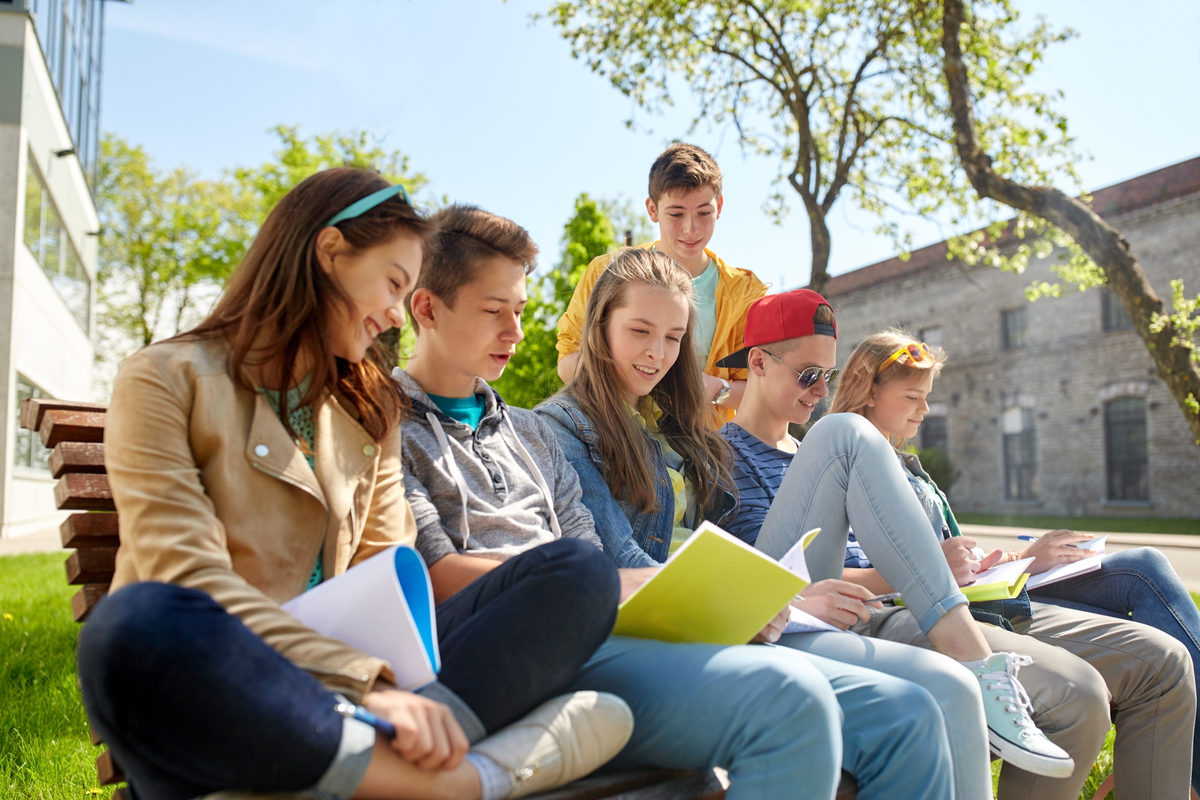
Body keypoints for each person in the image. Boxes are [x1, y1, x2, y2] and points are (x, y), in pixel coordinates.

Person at [75, 169, 634, 800]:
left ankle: (341, 772)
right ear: (330, 252)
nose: (398, 314)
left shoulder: (366, 409)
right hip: (225, 673)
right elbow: (184, 572)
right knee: (134, 623)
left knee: (577, 576)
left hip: (360, 687)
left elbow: (386, 573)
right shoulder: (165, 377)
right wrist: (365, 683)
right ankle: (460, 782)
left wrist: (389, 683)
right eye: (394, 283)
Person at [400, 208, 954, 799]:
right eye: (494, 312)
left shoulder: (527, 434)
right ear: (427, 309)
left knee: (909, 711)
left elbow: (591, 559)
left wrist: (727, 599)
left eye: (520, 311)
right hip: (528, 648)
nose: (515, 332)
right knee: (795, 703)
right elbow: (452, 571)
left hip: (603, 628)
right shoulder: (397, 426)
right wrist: (712, 599)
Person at [827, 328, 1200, 799]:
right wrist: (931, 569)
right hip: (931, 617)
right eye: (912, 397)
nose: (924, 409)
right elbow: (832, 574)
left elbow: (948, 557)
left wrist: (1005, 560)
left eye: (927, 397)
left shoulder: (909, 469)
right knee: (1113, 649)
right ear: (868, 389)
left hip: (981, 599)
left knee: (1163, 654)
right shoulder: (837, 462)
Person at [555, 142, 766, 421]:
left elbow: (765, 386)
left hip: (707, 453)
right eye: (676, 214)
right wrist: (635, 373)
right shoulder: (607, 272)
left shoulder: (746, 293)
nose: (691, 228)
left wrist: (714, 390)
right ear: (652, 210)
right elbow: (568, 362)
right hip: (620, 442)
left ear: (720, 206)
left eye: (704, 213)